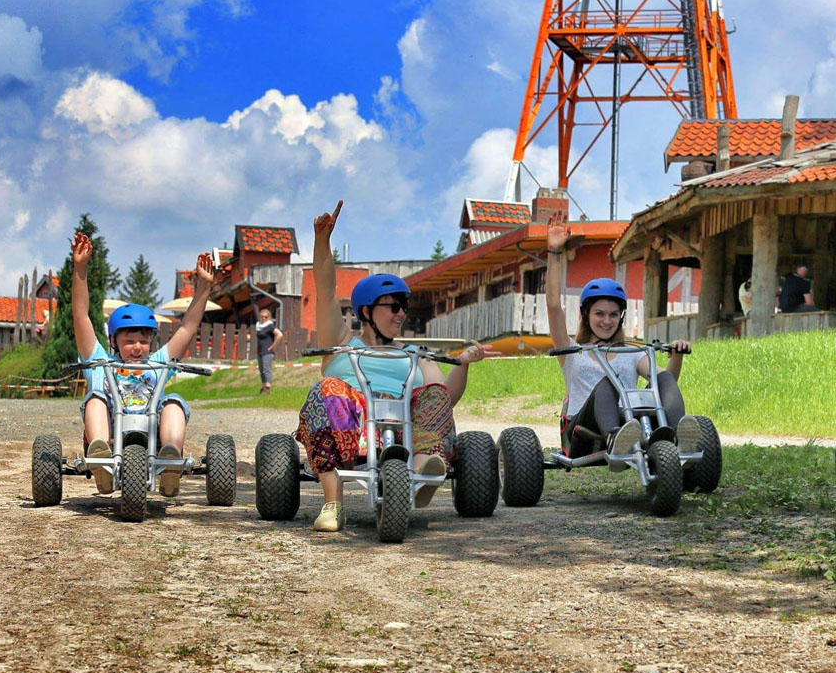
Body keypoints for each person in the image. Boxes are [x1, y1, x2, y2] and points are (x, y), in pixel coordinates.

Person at [295, 201, 495, 533]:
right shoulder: (342, 342)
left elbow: (444, 398)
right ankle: (334, 502)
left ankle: (422, 471)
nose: (401, 314)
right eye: (393, 307)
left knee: (432, 393)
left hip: (407, 431)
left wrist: (463, 363)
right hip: (352, 429)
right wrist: (322, 242)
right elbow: (327, 291)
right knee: (327, 390)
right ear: (367, 311)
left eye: (404, 307)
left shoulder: (415, 355)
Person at [71, 230, 216, 497]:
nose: (137, 347)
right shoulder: (100, 361)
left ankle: (171, 460)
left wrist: (204, 288)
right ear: (114, 341)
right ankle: (101, 456)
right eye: (129, 341)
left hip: (153, 425)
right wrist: (81, 268)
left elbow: (187, 329)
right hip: (111, 424)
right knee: (94, 399)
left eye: (143, 340)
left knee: (173, 402)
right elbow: (81, 316)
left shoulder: (158, 363)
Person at [544, 210, 699, 457]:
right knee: (607, 384)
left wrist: (676, 356)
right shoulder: (572, 350)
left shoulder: (631, 353)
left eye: (613, 315)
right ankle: (616, 437)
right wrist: (553, 253)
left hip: (633, 424)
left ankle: (678, 437)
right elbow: (553, 307)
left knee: (663, 379)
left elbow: (663, 383)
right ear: (586, 315)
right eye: (600, 314)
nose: (607, 321)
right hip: (584, 434)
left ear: (621, 318)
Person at [255, 308, 283, 394]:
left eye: (265, 317)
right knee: (261, 369)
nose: (264, 318)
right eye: (262, 316)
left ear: (268, 317)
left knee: (266, 369)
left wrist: (273, 346)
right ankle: (264, 389)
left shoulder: (270, 326)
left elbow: (279, 334)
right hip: (260, 350)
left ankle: (268, 386)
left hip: (267, 351)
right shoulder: (259, 326)